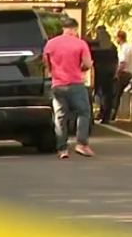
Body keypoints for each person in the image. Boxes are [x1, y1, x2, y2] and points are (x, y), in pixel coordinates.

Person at [43, 16, 94, 159]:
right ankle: (81, 144)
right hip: (75, 83)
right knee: (83, 112)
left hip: (58, 84)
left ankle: (62, 149)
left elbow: (46, 62)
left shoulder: (50, 44)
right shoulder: (80, 44)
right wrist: (81, 67)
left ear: (63, 28)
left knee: (60, 117)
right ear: (74, 29)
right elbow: (88, 64)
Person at [91, 26, 119, 124]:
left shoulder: (95, 44)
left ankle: (97, 114)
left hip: (97, 71)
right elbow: (116, 60)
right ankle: (105, 116)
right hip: (110, 72)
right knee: (108, 95)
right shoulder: (112, 46)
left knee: (96, 94)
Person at [112, 30, 132, 122]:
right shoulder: (126, 47)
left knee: (116, 94)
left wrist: (116, 74)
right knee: (116, 94)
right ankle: (112, 114)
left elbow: (123, 63)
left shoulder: (125, 48)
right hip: (127, 73)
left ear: (119, 38)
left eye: (116, 38)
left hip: (124, 74)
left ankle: (112, 114)